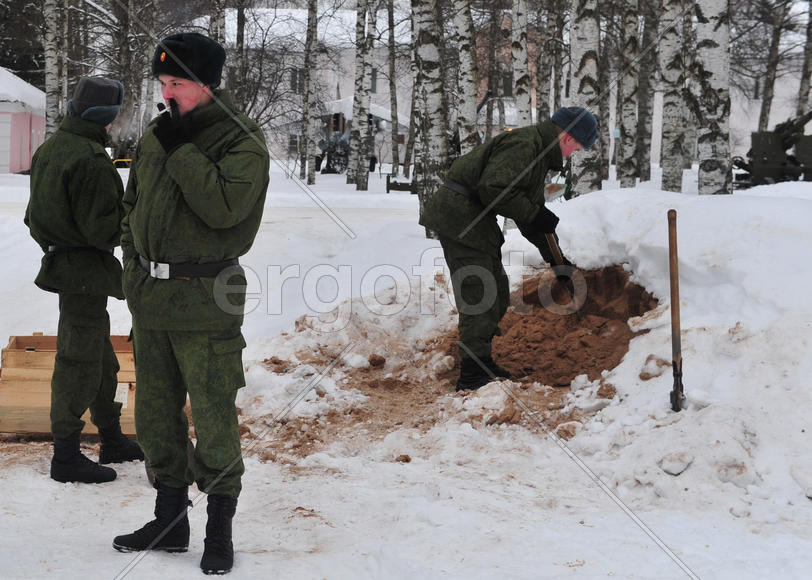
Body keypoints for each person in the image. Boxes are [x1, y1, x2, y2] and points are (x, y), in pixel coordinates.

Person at [111, 33, 269, 576]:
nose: (167, 93)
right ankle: (170, 521)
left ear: (207, 84)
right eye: (162, 83)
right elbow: (131, 210)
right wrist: (135, 266)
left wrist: (183, 149)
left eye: (176, 83)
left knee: (213, 415)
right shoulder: (158, 136)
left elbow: (224, 208)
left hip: (206, 302)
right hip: (151, 301)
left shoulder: (241, 141)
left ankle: (218, 528)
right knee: (154, 416)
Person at [420, 106, 599, 391]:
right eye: (575, 148)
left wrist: (557, 261)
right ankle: (471, 374)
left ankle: (481, 360)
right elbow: (495, 188)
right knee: (480, 291)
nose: (571, 154)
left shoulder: (537, 152)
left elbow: (529, 216)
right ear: (566, 138)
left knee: (497, 289)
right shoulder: (525, 144)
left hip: (474, 220)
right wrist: (535, 213)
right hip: (461, 218)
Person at [25, 76, 144, 484]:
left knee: (98, 356)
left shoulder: (51, 149)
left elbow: (32, 217)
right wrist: (135, 217)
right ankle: (65, 456)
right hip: (84, 271)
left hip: (69, 266)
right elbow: (103, 230)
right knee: (78, 360)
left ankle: (110, 436)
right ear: (106, 117)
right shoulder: (91, 160)